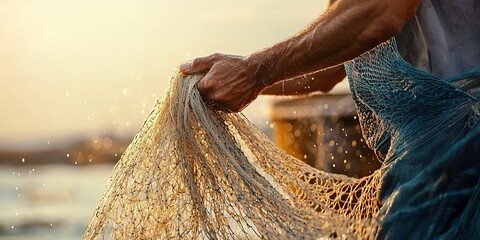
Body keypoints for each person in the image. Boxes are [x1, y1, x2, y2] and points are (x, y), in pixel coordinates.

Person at [180, 0, 480, 239]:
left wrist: (253, 72)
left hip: (465, 141)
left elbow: (381, 11)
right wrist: (236, 79)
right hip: (434, 155)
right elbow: (328, 68)